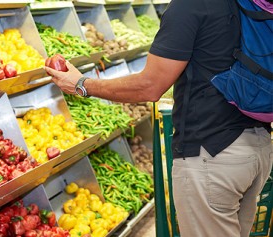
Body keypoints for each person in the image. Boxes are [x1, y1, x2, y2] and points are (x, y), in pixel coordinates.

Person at [45, 0, 273, 236]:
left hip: (212, 154)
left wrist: (83, 84)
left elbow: (150, 86)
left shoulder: (191, 5)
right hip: (256, 146)